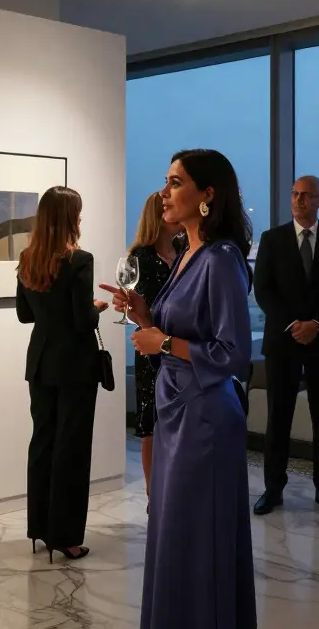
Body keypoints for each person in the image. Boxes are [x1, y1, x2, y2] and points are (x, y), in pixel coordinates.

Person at [102, 149, 257, 629]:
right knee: (173, 535)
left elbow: (234, 353)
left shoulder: (222, 258)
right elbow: (178, 332)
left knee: (196, 540)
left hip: (205, 419)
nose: (165, 192)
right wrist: (145, 316)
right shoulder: (187, 252)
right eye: (167, 181)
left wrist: (162, 340)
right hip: (177, 412)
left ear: (207, 195)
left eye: (175, 182)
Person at [15, 186, 108, 564]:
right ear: (70, 218)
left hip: (40, 362)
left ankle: (39, 529)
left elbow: (25, 314)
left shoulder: (27, 258)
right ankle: (66, 537)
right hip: (74, 367)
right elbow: (83, 319)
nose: (81, 219)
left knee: (42, 445)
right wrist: (97, 305)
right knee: (71, 450)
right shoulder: (79, 260)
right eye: (79, 213)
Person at [251, 175, 319, 517]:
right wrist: (293, 325)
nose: (299, 201)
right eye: (295, 194)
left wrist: (317, 325)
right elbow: (263, 290)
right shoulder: (272, 239)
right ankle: (272, 490)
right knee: (278, 419)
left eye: (307, 196)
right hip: (283, 342)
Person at [126, 192, 184, 505]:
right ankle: (153, 495)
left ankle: (171, 492)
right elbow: (142, 304)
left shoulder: (183, 251)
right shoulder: (142, 256)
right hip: (151, 344)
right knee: (152, 421)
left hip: (177, 347)